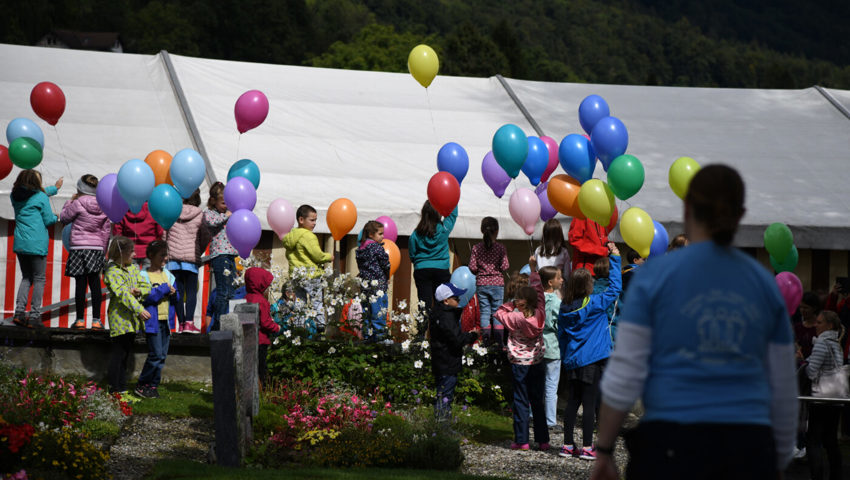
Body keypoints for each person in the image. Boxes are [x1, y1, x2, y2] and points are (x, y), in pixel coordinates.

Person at [591, 165, 798, 480]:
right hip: (746, 447)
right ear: (740, 214)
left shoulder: (653, 280)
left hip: (672, 445)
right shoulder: (764, 286)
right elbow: (782, 383)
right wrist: (778, 458)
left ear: (687, 209)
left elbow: (625, 372)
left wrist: (604, 450)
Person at [558, 242, 621, 460]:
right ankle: (587, 448)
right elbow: (614, 289)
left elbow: (562, 336)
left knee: (572, 403)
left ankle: (567, 446)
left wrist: (566, 357)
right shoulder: (595, 303)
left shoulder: (564, 308)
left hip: (573, 360)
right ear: (588, 285)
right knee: (590, 403)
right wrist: (615, 258)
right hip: (593, 361)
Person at [494, 259, 548, 451]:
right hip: (537, 361)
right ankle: (543, 441)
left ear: (520, 302)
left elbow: (498, 312)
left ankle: (522, 440)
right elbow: (540, 292)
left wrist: (512, 303)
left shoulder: (514, 316)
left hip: (519, 363)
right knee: (537, 402)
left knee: (520, 401)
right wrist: (534, 271)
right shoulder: (540, 313)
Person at [10, 170, 62, 328]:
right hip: (37, 243)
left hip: (21, 243)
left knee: (26, 277)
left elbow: (36, 195)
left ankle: (19, 313)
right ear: (35, 183)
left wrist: (55, 188)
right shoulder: (40, 197)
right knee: (39, 279)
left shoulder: (15, 195)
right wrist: (57, 216)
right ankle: (34, 316)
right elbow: (48, 219)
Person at [60, 174, 110, 330]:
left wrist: (68, 203)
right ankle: (96, 320)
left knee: (80, 285)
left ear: (80, 188)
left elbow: (64, 218)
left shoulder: (77, 203)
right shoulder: (104, 205)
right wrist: (103, 249)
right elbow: (106, 230)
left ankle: (80, 320)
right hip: (96, 249)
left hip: (78, 248)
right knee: (95, 284)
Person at [800, 310, 845, 480]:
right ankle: (836, 475)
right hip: (835, 397)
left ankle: (817, 476)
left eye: (819, 323)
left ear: (829, 325)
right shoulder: (835, 342)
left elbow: (812, 373)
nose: (816, 326)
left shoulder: (821, 343)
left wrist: (805, 364)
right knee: (830, 440)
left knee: (813, 440)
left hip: (820, 398)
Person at [104, 236, 151, 397]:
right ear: (120, 253)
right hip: (119, 318)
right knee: (118, 354)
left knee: (126, 355)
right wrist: (139, 309)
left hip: (132, 320)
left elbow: (146, 285)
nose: (134, 254)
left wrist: (139, 291)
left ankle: (122, 389)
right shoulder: (112, 272)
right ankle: (113, 389)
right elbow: (122, 294)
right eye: (131, 251)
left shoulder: (133, 268)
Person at [136, 240, 179, 399]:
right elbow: (147, 297)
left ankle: (153, 386)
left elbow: (176, 299)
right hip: (152, 321)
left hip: (166, 321)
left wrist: (174, 293)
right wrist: (164, 289)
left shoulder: (168, 275)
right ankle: (142, 384)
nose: (165, 258)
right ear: (151, 256)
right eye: (162, 255)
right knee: (155, 354)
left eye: (166, 255)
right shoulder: (143, 275)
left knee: (162, 356)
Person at [429, 282, 479, 420]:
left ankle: (441, 427)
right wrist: (472, 335)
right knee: (445, 396)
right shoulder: (446, 316)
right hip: (447, 362)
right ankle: (442, 429)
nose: (459, 300)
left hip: (441, 361)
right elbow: (456, 339)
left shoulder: (438, 314)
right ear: (446, 300)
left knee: (443, 393)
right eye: (456, 298)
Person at [282, 204, 333, 331]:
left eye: (315, 220)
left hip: (297, 276)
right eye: (312, 220)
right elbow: (317, 256)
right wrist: (328, 257)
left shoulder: (291, 236)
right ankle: (320, 328)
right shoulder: (308, 235)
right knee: (317, 302)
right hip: (311, 275)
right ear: (301, 220)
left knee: (300, 301)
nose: (314, 223)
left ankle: (299, 328)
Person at [165, 188, 205, 334]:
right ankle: (189, 323)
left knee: (178, 291)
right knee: (191, 291)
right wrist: (198, 250)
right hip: (191, 258)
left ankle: (181, 323)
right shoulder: (199, 214)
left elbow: (165, 232)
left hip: (173, 258)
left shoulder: (172, 211)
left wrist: (166, 251)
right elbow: (205, 235)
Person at [409, 201, 458, 311]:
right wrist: (454, 196)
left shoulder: (416, 233)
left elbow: (412, 253)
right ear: (438, 213)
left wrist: (419, 262)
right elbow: (453, 215)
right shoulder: (444, 229)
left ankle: (423, 327)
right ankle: (440, 327)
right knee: (441, 303)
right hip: (441, 270)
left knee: (423, 303)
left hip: (422, 270)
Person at [469, 217, 509, 346]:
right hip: (497, 283)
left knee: (485, 312)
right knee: (497, 312)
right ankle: (499, 342)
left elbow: (473, 267)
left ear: (482, 230)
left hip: (482, 283)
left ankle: (485, 342)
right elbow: (505, 266)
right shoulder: (501, 248)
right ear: (497, 231)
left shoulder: (476, 248)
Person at [203, 182, 238, 332]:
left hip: (230, 255)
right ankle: (217, 324)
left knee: (231, 291)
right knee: (223, 292)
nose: (226, 206)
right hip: (219, 255)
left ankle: (223, 322)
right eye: (223, 203)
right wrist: (226, 216)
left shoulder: (229, 214)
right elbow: (211, 222)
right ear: (213, 201)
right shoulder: (210, 213)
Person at [244, 267, 283, 387]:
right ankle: (262, 389)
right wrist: (277, 327)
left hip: (246, 339)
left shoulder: (246, 298)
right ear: (260, 284)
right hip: (260, 340)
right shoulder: (262, 301)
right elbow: (265, 322)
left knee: (249, 367)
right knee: (261, 367)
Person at [355, 220, 391, 340]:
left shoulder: (360, 249)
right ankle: (380, 339)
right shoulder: (376, 247)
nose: (383, 236)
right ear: (371, 234)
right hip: (378, 287)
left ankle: (367, 339)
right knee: (379, 314)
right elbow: (386, 264)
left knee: (367, 315)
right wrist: (387, 276)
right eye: (380, 234)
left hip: (366, 288)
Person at [539, 265, 564, 432]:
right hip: (553, 346)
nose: (562, 280)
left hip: (538, 345)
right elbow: (559, 324)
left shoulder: (537, 298)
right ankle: (549, 420)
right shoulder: (556, 302)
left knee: (537, 383)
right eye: (559, 277)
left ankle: (534, 415)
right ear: (550, 282)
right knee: (551, 385)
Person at [112, 201, 164, 268]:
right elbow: (160, 232)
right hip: (149, 250)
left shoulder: (123, 210)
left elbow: (117, 232)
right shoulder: (152, 209)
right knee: (148, 277)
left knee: (130, 276)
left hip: (129, 251)